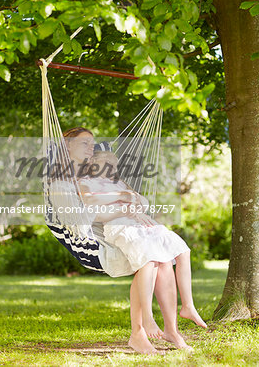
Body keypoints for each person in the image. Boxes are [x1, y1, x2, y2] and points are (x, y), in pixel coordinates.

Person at [58, 127, 206, 354]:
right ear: (68, 146)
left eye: (92, 143)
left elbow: (140, 201)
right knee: (150, 260)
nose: (91, 148)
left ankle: (173, 329)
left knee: (167, 259)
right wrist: (125, 202)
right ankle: (143, 325)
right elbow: (90, 209)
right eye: (84, 144)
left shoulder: (109, 179)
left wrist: (132, 204)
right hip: (102, 235)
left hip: (133, 225)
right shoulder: (67, 178)